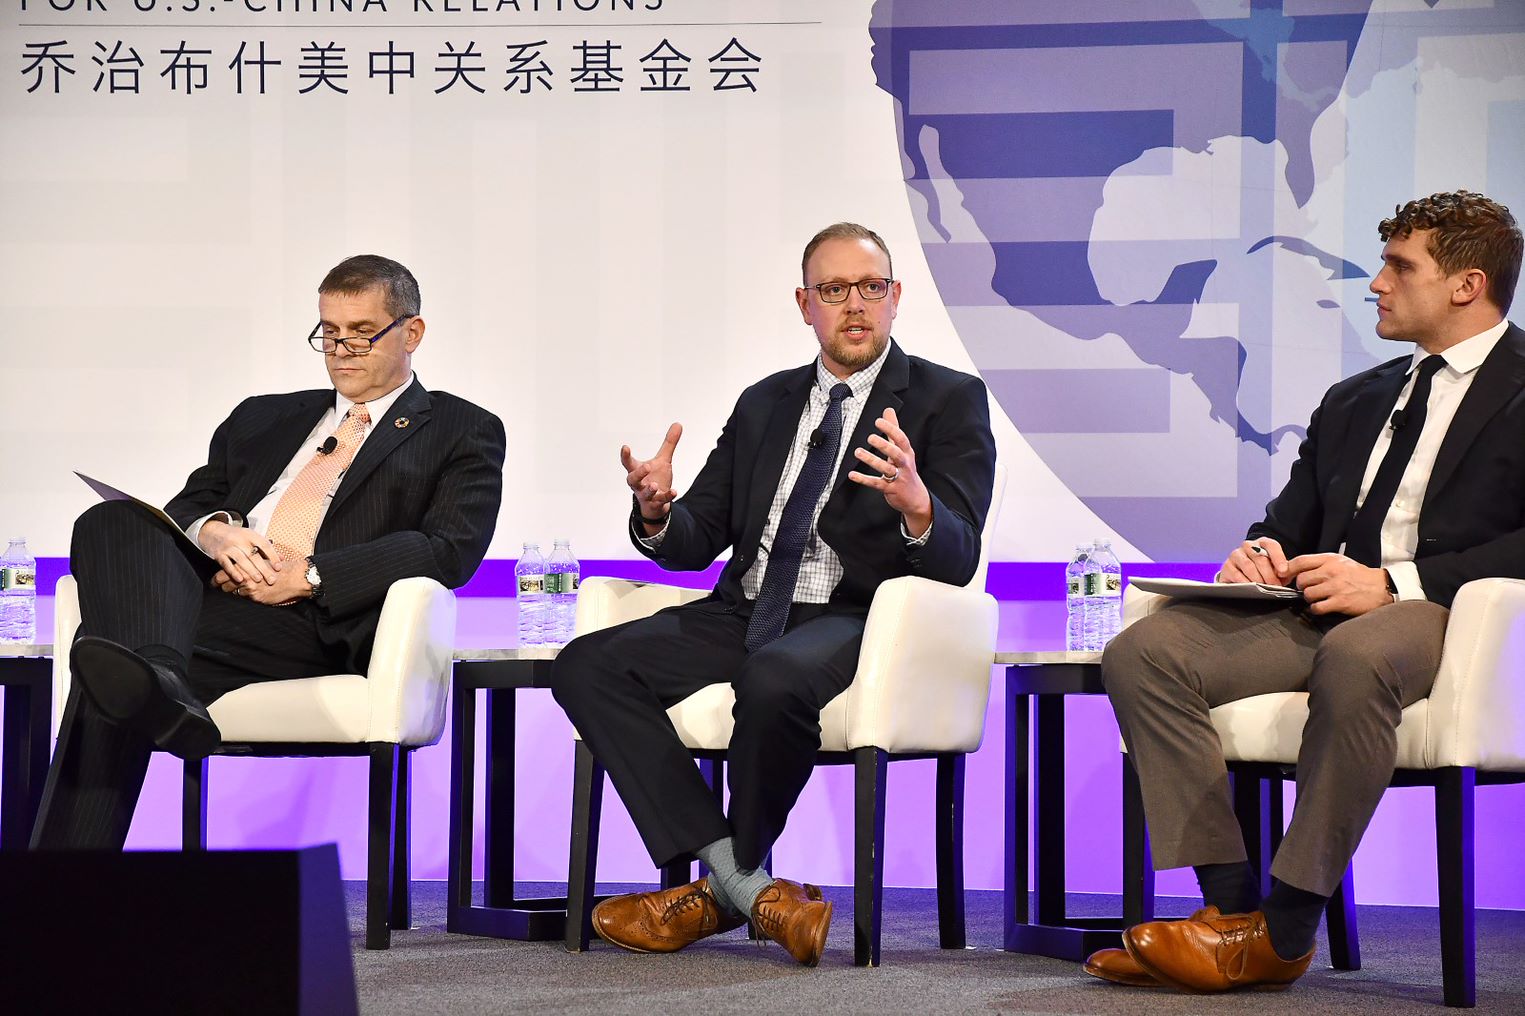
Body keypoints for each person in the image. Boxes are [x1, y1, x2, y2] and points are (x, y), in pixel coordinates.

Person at [1089, 190, 1525, 992]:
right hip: (1315, 610)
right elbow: (1287, 523)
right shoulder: (1355, 398)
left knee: (1356, 655)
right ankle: (1229, 914)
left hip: (1439, 615)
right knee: (1145, 651)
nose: (1376, 284)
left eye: (1400, 267)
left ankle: (1285, 930)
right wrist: (1260, 553)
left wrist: (1392, 583)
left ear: (1466, 285)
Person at [550, 222, 996, 966]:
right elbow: (699, 534)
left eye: (870, 287)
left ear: (895, 297)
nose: (854, 305)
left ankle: (719, 892)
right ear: (804, 304)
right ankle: (747, 882)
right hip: (745, 608)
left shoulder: (946, 399)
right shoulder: (765, 403)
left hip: (855, 615)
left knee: (774, 678)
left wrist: (919, 506)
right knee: (585, 665)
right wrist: (657, 512)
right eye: (833, 289)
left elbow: (960, 556)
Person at [32, 254, 506, 848]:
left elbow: (447, 550)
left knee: (108, 657)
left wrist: (308, 576)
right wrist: (215, 531)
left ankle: (60, 882)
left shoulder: (461, 429)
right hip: (209, 599)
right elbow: (189, 504)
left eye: (361, 334)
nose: (341, 351)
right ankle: (160, 675)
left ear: (411, 333)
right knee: (110, 520)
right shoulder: (264, 416)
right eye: (329, 333)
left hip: (316, 623)